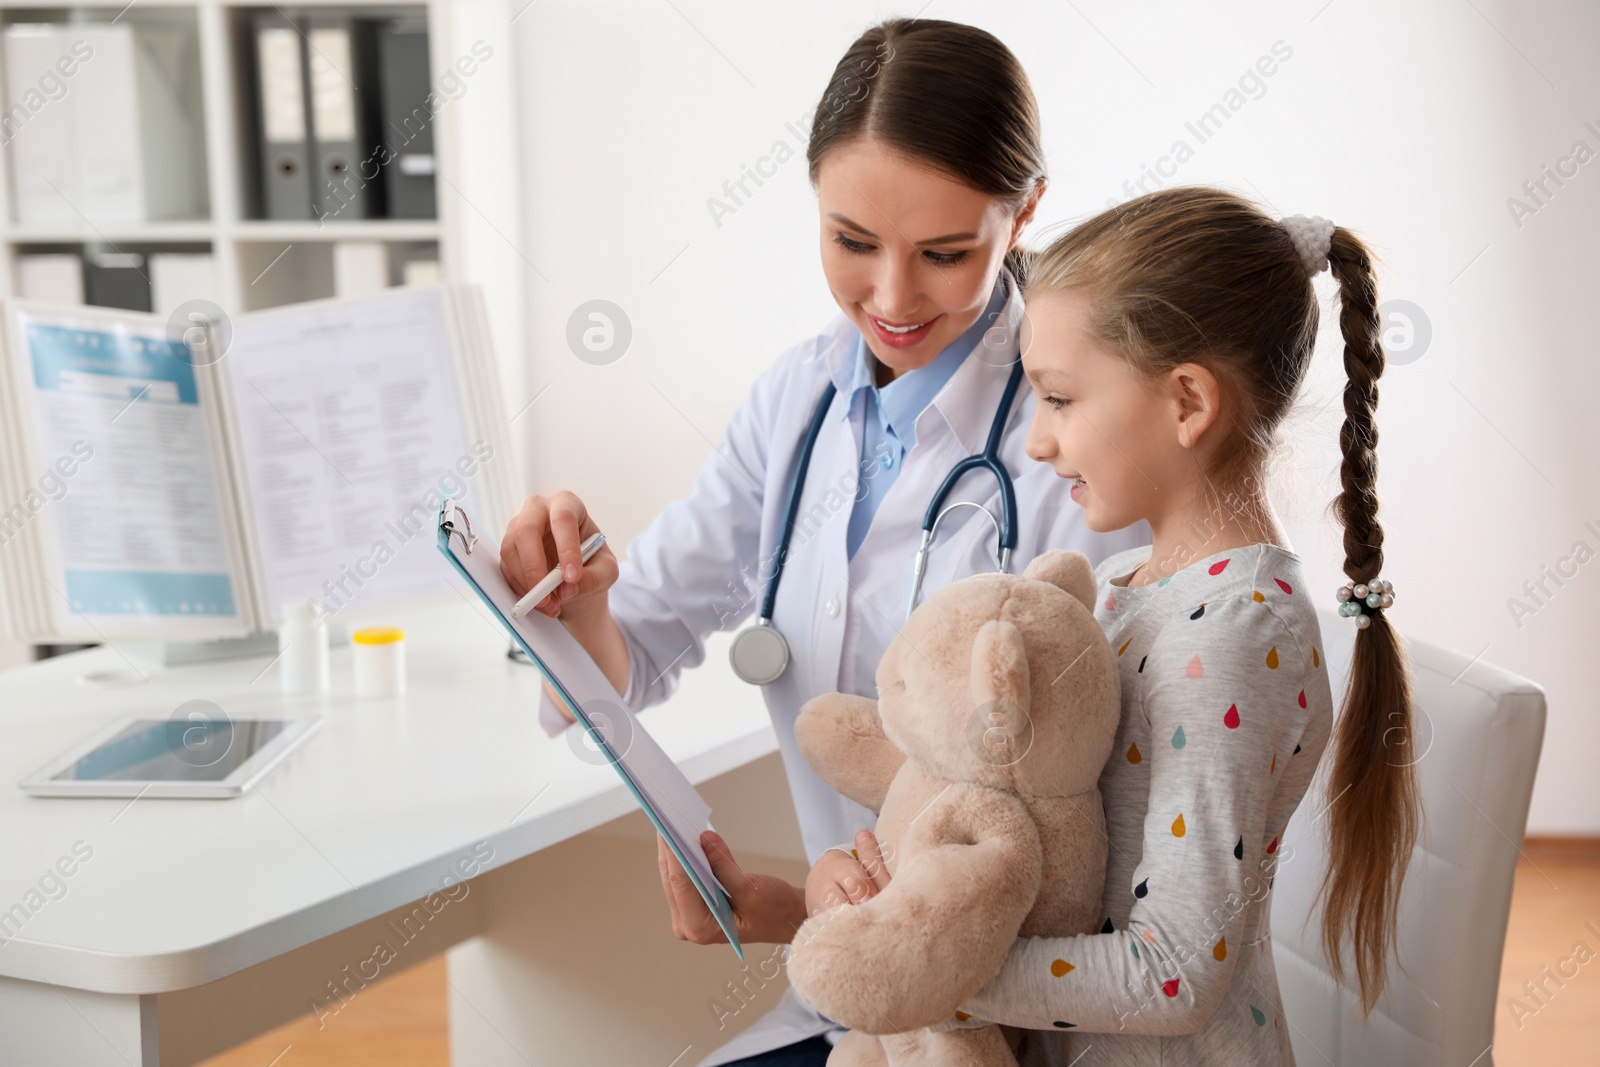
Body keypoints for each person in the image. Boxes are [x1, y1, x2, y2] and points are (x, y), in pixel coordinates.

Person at [497, 18, 1150, 1067]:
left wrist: (822, 919)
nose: (890, 300)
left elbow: (1110, 830)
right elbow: (626, 662)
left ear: (1025, 209)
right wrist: (572, 604)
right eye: (851, 242)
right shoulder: (794, 402)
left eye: (945, 254)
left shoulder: (1074, 437)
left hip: (1028, 1025)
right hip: (853, 1001)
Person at [833, 187, 1420, 1065]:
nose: (1036, 442)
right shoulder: (1122, 586)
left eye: (1061, 400)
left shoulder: (1234, 636)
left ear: (1187, 402)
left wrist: (935, 967)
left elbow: (1175, 975)